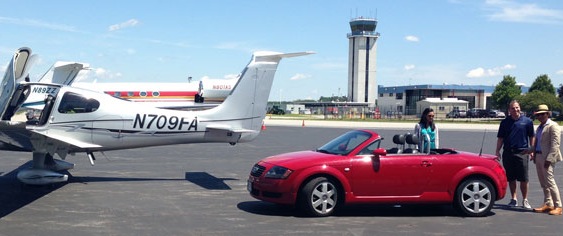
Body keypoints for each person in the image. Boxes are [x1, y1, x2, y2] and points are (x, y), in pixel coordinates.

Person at [495, 100, 534, 209]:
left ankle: (525, 200)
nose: (515, 110)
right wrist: (497, 151)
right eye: (513, 108)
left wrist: (532, 150)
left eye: (517, 107)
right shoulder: (504, 122)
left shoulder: (527, 122)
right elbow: (500, 138)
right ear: (509, 110)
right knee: (511, 178)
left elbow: (531, 136)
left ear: (520, 108)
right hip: (508, 153)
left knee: (524, 178)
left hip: (523, 153)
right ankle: (514, 198)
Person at [531, 104, 562, 215]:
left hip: (547, 158)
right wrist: (530, 151)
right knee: (543, 182)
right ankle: (548, 203)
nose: (540, 116)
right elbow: (537, 143)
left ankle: (558, 206)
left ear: (547, 114)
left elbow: (555, 144)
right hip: (538, 156)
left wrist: (549, 159)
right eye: (538, 115)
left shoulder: (553, 126)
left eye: (542, 114)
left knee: (550, 181)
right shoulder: (540, 127)